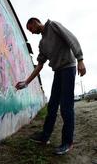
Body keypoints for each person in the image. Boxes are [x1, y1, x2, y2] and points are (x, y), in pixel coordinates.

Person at [15, 18, 86, 155]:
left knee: (66, 106)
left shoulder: (53, 26)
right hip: (58, 72)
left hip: (68, 68)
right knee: (52, 105)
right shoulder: (42, 44)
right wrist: (26, 82)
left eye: (31, 29)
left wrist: (80, 59)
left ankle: (67, 142)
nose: (31, 32)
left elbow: (71, 38)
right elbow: (39, 66)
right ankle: (45, 136)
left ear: (36, 22)